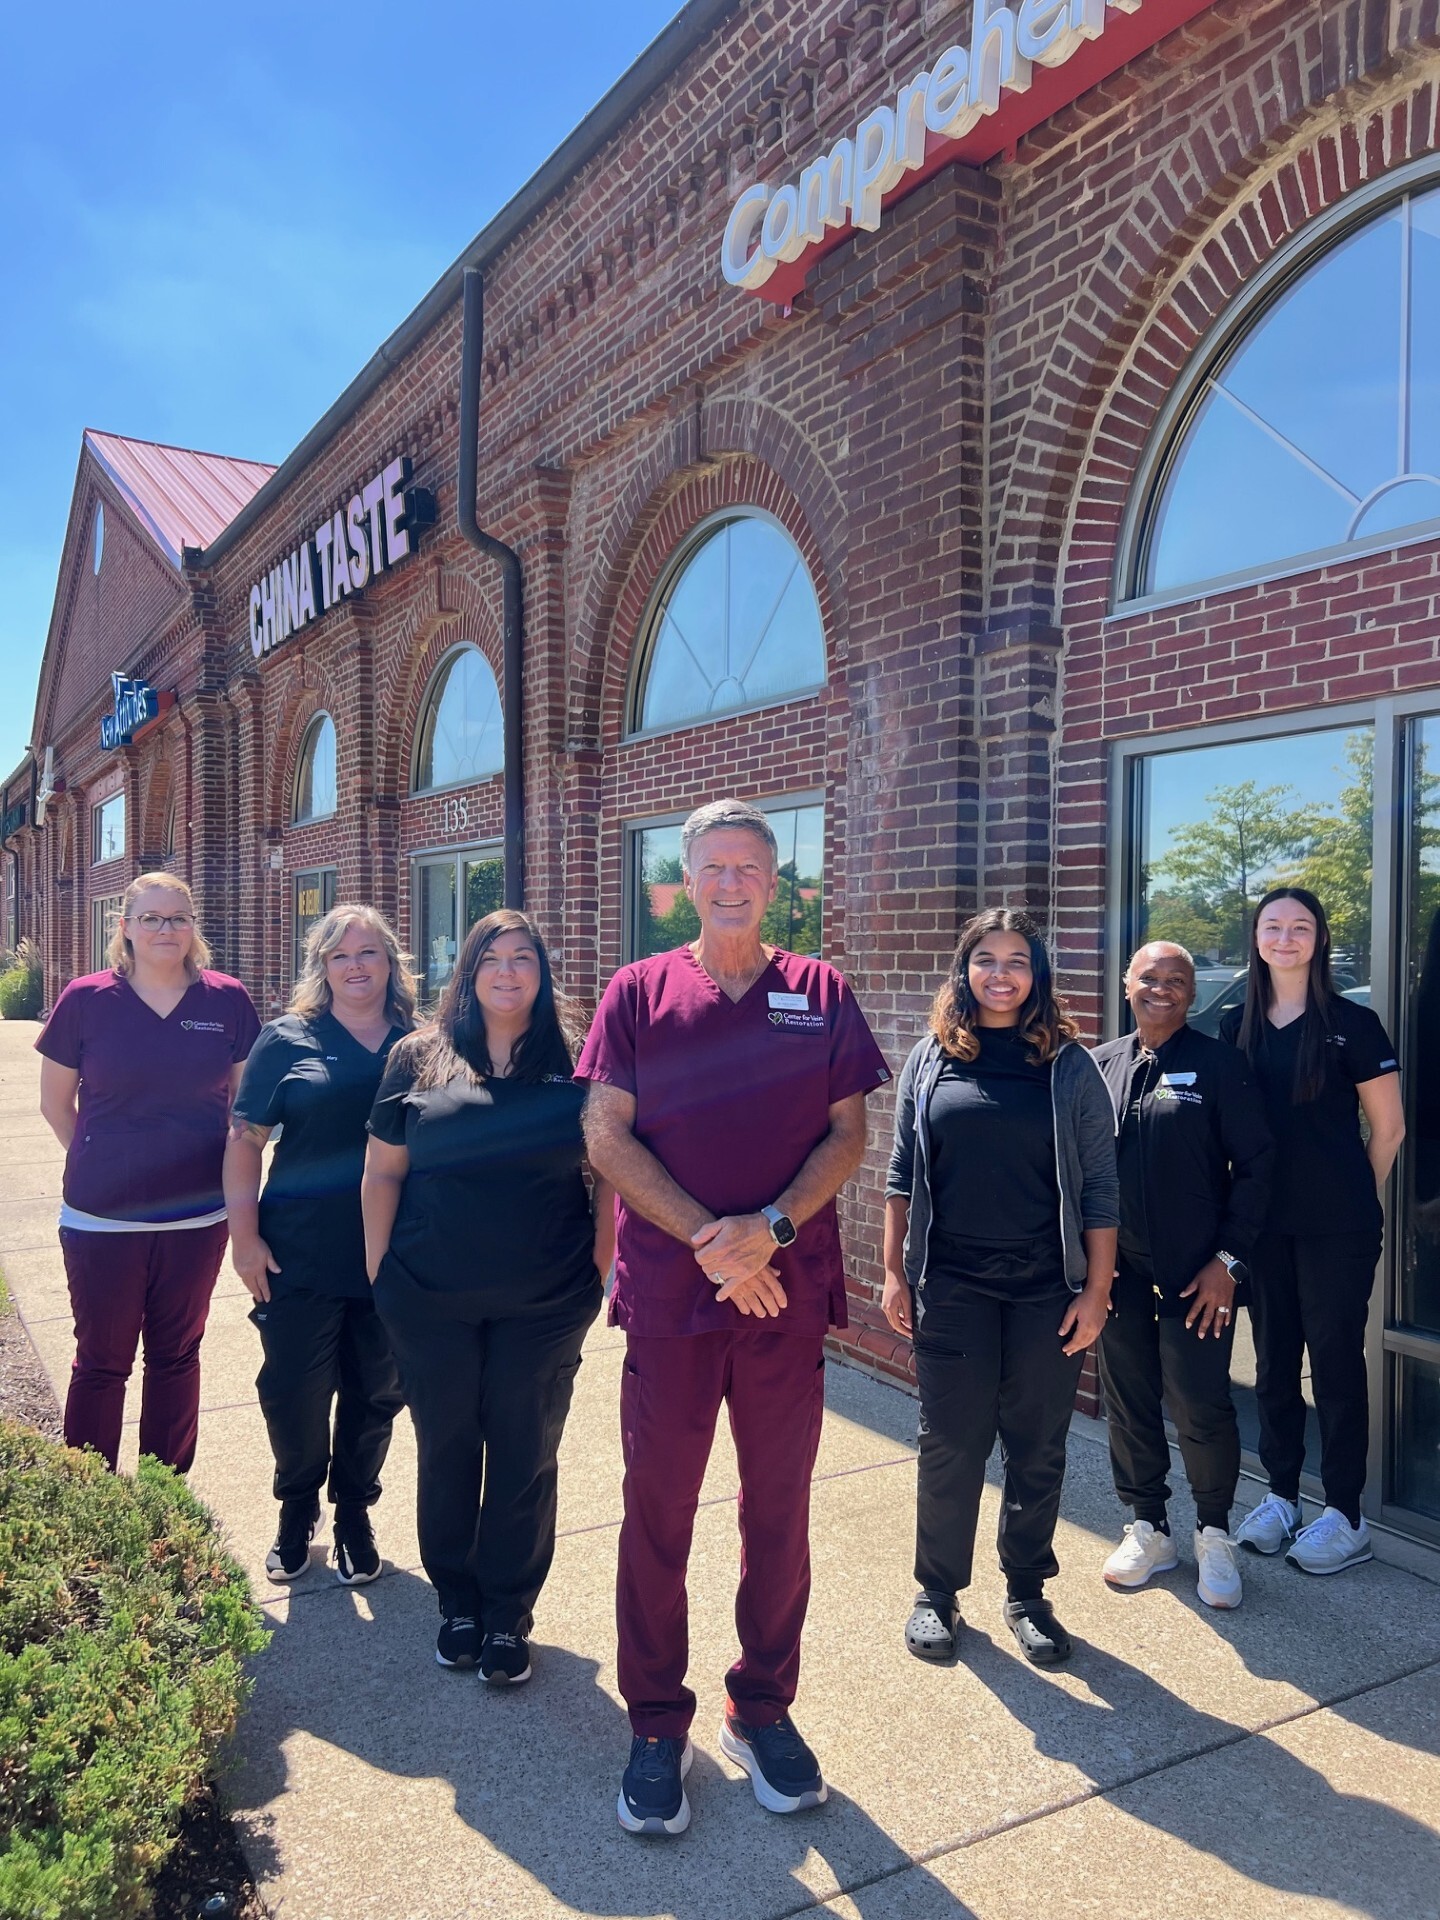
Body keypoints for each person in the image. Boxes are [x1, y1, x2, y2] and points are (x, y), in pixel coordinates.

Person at [580, 798, 889, 1839]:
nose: (728, 883)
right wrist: (716, 1241)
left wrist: (768, 1229)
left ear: (775, 879)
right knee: (658, 1512)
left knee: (778, 1512)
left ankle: (762, 1709)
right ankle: (656, 1723)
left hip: (784, 1299)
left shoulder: (821, 992)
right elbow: (605, 1134)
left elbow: (849, 1135)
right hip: (675, 1301)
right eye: (711, 866)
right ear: (684, 878)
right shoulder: (637, 992)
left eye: (747, 867)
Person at [362, 909, 610, 1686]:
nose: (507, 972)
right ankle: (457, 1604)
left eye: (522, 958)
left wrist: (594, 1277)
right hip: (430, 1298)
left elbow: (606, 1180)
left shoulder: (576, 1060)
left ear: (541, 972)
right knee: (447, 1447)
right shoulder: (419, 1056)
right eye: (490, 959)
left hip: (544, 1302)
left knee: (525, 1450)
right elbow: (381, 1172)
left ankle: (507, 1613)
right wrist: (381, 1275)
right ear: (466, 974)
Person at [882, 909, 1117, 1668]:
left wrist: (1097, 1291)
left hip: (1046, 1289)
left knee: (1037, 1444)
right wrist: (893, 1272)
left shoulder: (1069, 1066)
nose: (1002, 972)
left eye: (1018, 959)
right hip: (952, 1285)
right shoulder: (930, 1059)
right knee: (950, 1441)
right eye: (987, 957)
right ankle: (937, 1593)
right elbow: (900, 1176)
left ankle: (1026, 1591)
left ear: (1037, 976)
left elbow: (1103, 1190)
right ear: (965, 970)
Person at [36, 872, 260, 1472]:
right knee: (102, 1361)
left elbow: (244, 1109)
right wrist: (102, 1157)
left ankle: (164, 1497)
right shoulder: (85, 1000)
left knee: (177, 1355)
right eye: (152, 918)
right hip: (101, 1217)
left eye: (178, 918)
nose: (166, 929)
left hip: (197, 1214)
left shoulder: (227, 1000)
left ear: (193, 928)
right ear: (126, 927)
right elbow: (57, 1105)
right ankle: (93, 1496)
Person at [224, 905, 413, 1587]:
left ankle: (356, 1511)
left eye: (369, 953)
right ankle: (297, 1504)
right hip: (297, 1251)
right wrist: (243, 1238)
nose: (356, 965)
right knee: (294, 1390)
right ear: (322, 967)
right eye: (340, 955)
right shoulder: (287, 1039)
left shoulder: (419, 1043)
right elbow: (244, 1142)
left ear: (391, 963)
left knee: (376, 1391)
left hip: (391, 1255)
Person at [1221, 887, 1404, 1575]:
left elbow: (1389, 1128)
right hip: (1264, 1227)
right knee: (1272, 1364)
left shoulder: (1354, 1025)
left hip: (1337, 1227)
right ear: (1258, 939)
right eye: (1274, 926)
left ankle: (1346, 1514)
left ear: (1320, 939)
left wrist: (1357, 1197)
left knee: (1332, 1363)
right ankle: (1283, 1497)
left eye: (1301, 927)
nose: (1287, 938)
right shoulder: (1236, 1024)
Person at [1092, 941, 1273, 1609]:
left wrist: (1229, 1261)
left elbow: (1258, 1169)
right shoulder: (1100, 1066)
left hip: (1200, 1278)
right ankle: (1149, 1528)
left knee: (1200, 1406)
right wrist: (1088, 1270)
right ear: (1127, 983)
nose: (1161, 988)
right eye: (1149, 977)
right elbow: (1079, 1175)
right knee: (1129, 1403)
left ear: (1192, 993)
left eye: (1176, 980)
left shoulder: (1221, 1067)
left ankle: (1214, 1533)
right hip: (1120, 1277)